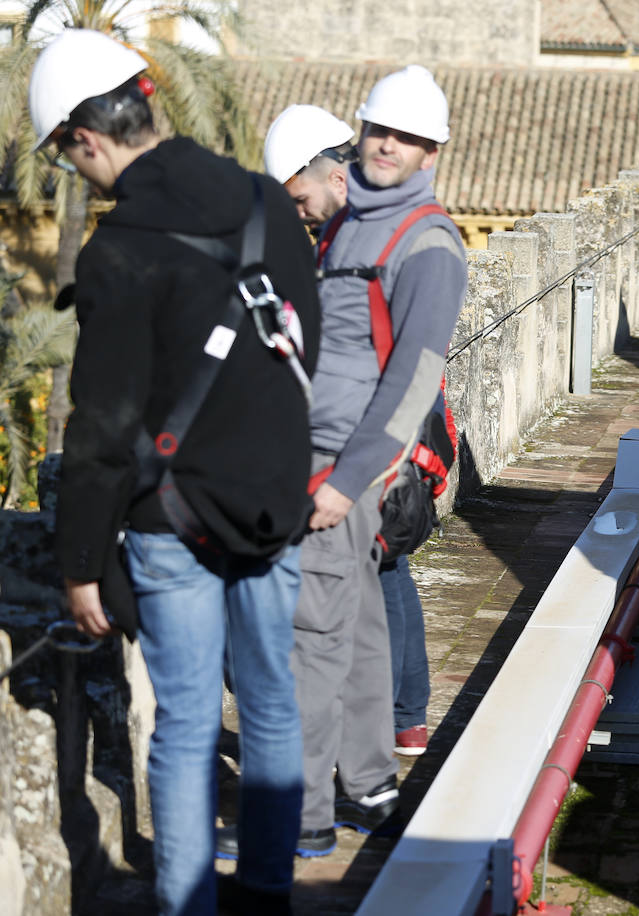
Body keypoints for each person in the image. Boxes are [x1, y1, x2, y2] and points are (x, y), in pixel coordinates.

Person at [31, 28, 321, 916]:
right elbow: (303, 341)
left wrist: (82, 564)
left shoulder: (119, 253)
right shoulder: (270, 202)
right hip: (275, 500)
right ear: (150, 100)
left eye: (67, 158)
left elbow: (104, 427)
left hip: (172, 519)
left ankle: (190, 905)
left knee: (189, 724)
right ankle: (268, 892)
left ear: (87, 140)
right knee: (272, 703)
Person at [218, 65, 467, 859]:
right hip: (318, 455)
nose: (388, 146)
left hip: (341, 467)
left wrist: (345, 481)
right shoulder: (348, 226)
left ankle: (296, 819)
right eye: (379, 130)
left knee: (305, 639)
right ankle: (366, 787)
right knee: (355, 626)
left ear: (432, 153)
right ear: (357, 135)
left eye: (408, 138)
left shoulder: (426, 242)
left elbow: (413, 379)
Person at [261, 102, 440, 757]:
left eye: (299, 197)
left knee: (374, 571)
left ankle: (373, 729)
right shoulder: (345, 236)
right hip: (388, 428)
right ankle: (404, 720)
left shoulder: (376, 234)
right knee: (387, 568)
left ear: (335, 179)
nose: (297, 213)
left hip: (378, 431)